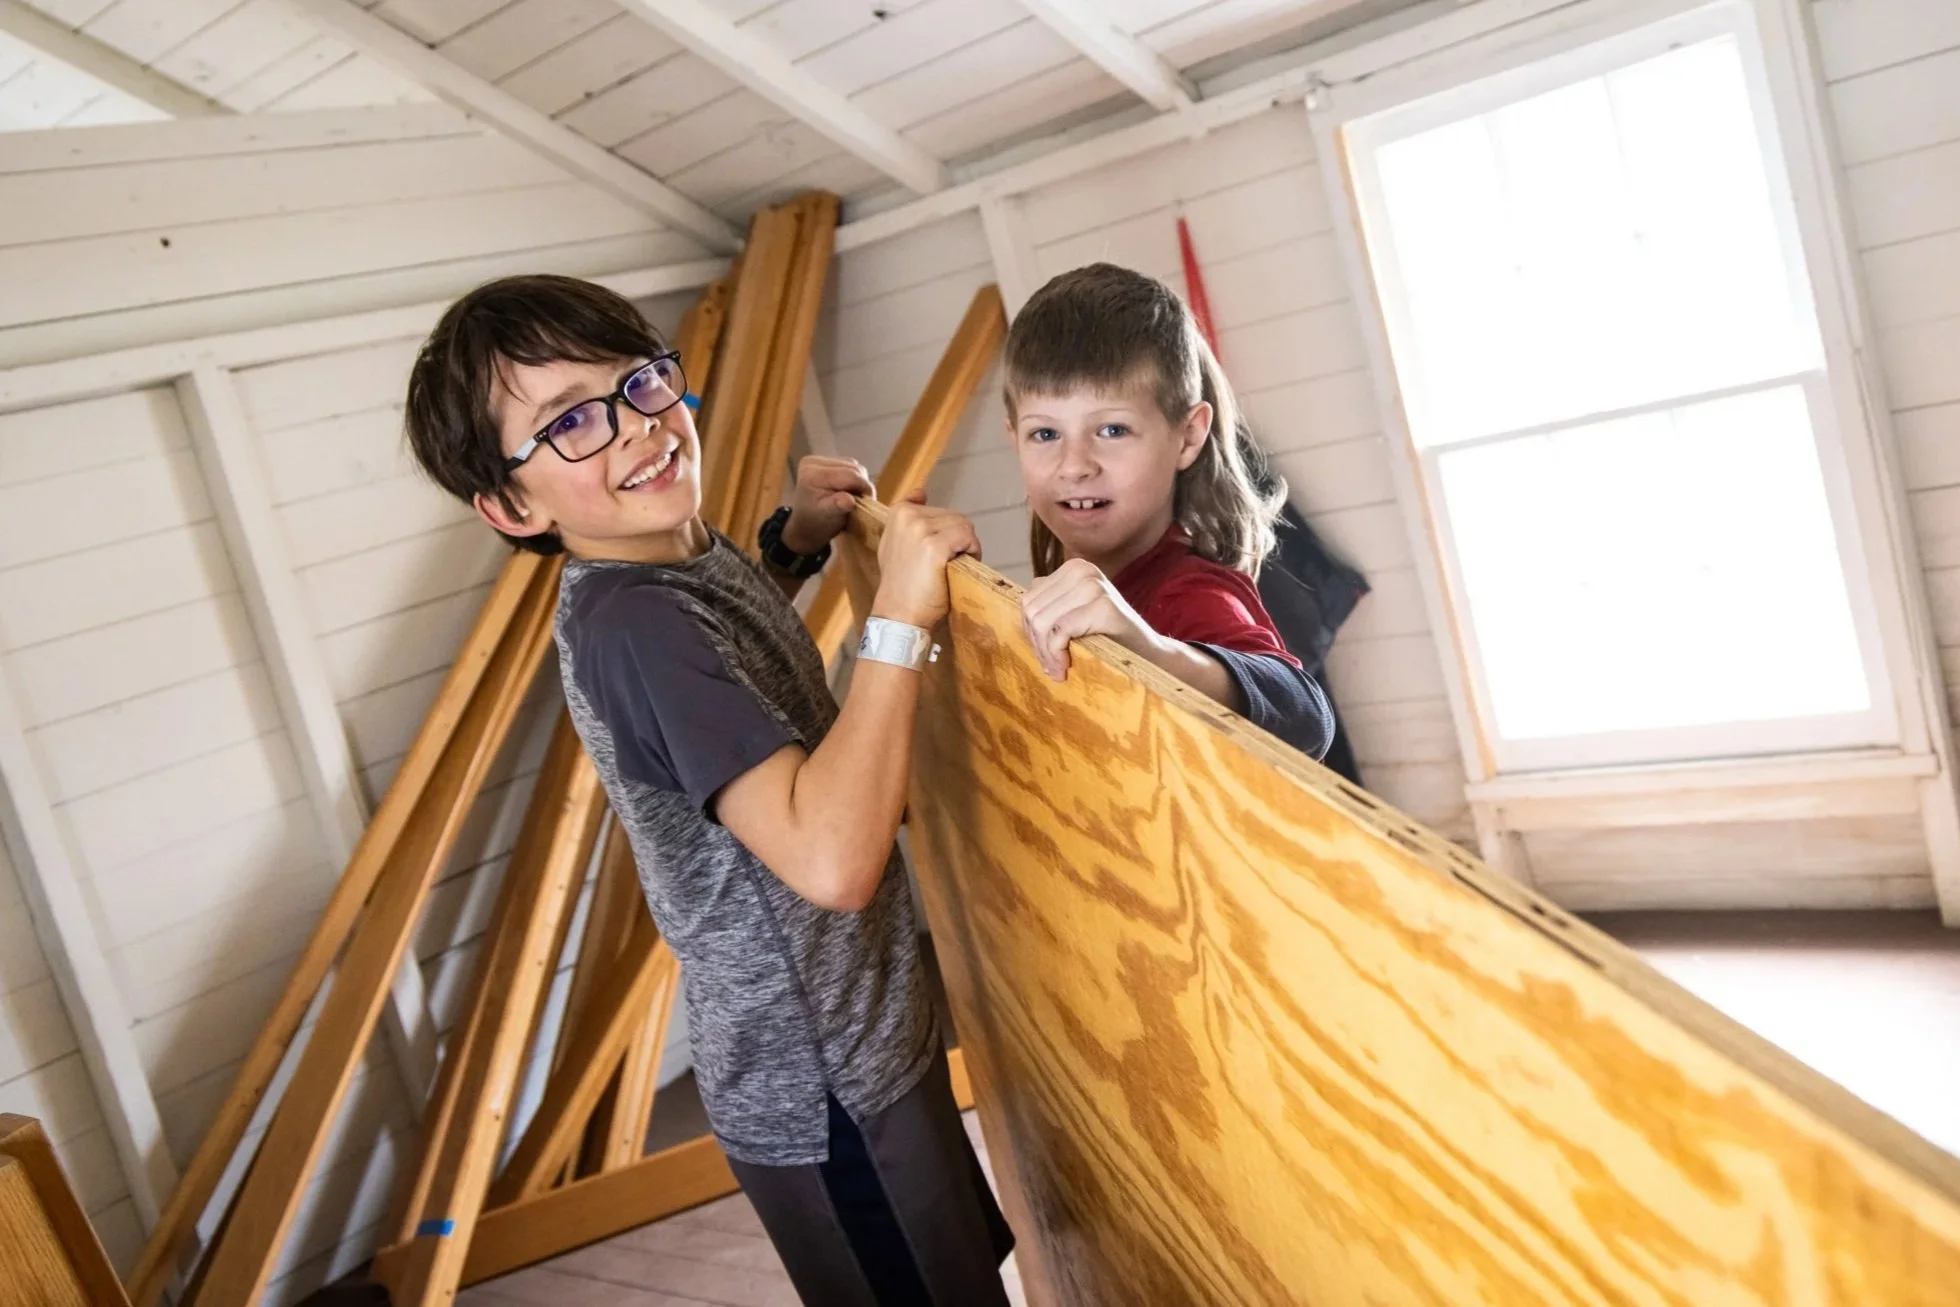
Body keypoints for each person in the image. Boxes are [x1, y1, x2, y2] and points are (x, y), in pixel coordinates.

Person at [403, 274, 1014, 1307]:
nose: (636, 428)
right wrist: (898, 620)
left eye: (638, 381)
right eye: (571, 423)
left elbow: (727, 663)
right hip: (824, 1095)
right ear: (512, 504)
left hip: (854, 1043)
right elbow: (831, 861)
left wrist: (791, 542)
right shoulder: (635, 625)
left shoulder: (666, 556)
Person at [1005, 263, 1336, 759]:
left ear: (1188, 436)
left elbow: (1307, 717)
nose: (1074, 466)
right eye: (1045, 434)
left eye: (1112, 430)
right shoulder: (1055, 588)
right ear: (1014, 438)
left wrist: (1149, 650)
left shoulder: (1191, 594)